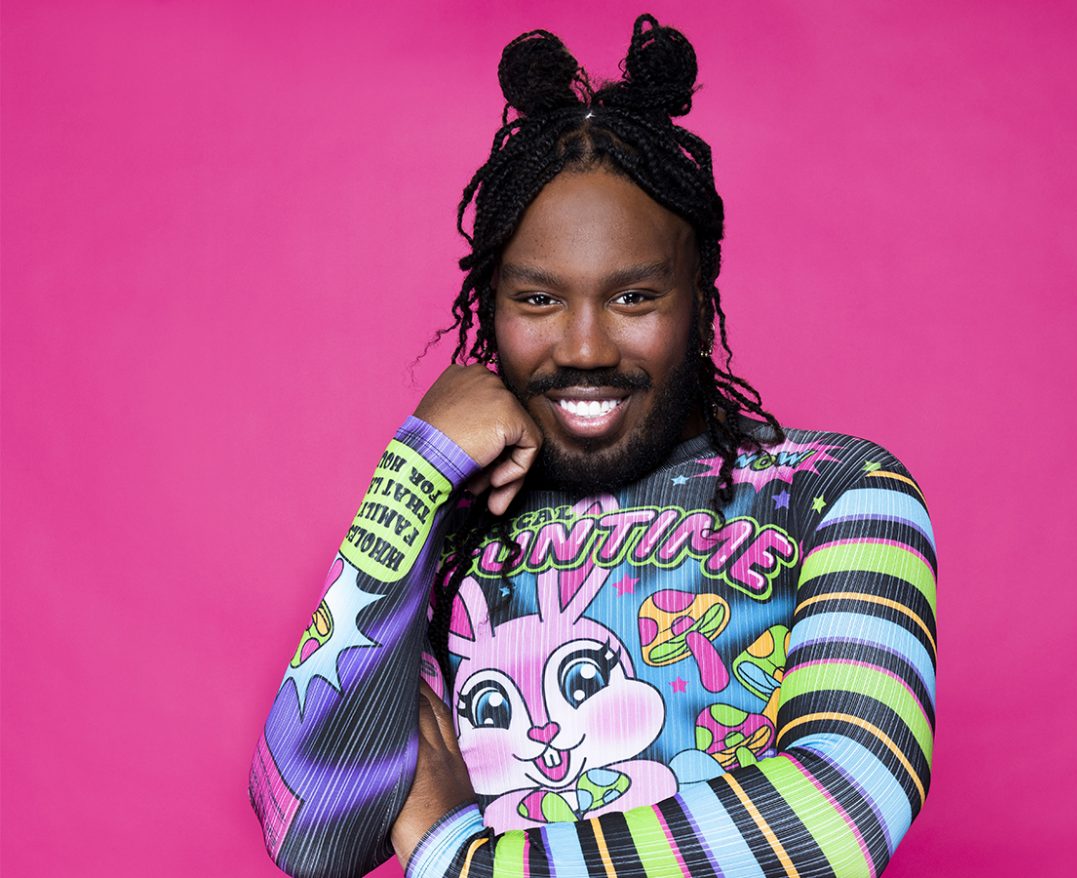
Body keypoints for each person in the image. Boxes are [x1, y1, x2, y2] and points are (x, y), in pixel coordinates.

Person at [248, 14, 937, 878]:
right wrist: (413, 475)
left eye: (633, 297)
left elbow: (837, 816)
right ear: (490, 304)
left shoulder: (841, 492)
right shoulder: (454, 533)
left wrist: (459, 861)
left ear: (700, 297)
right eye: (538, 300)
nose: (583, 348)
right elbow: (309, 831)